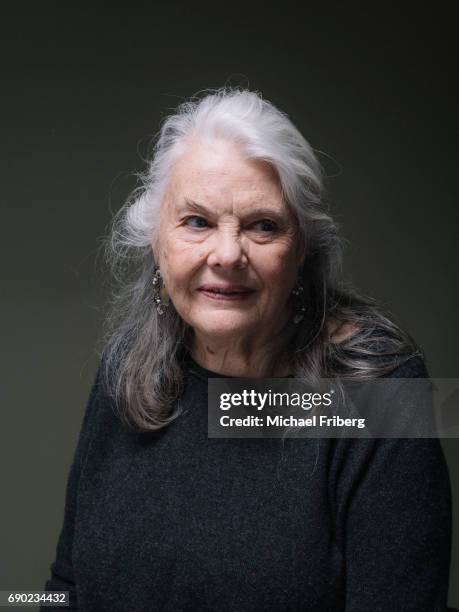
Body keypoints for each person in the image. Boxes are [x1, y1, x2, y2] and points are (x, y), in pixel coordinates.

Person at [41, 87, 452, 611]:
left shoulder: (384, 397)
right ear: (156, 239)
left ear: (300, 247)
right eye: (197, 222)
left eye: (263, 226)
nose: (228, 254)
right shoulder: (129, 366)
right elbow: (64, 588)